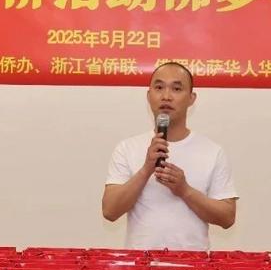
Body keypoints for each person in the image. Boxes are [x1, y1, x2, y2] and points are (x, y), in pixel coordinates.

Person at [102, 62, 238, 250]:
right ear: (149, 96)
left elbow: (227, 217)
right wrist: (145, 170)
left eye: (176, 89)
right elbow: (110, 211)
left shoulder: (212, 151)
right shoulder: (127, 148)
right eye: (159, 88)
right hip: (141, 265)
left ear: (191, 98)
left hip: (192, 265)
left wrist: (185, 190)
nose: (166, 96)